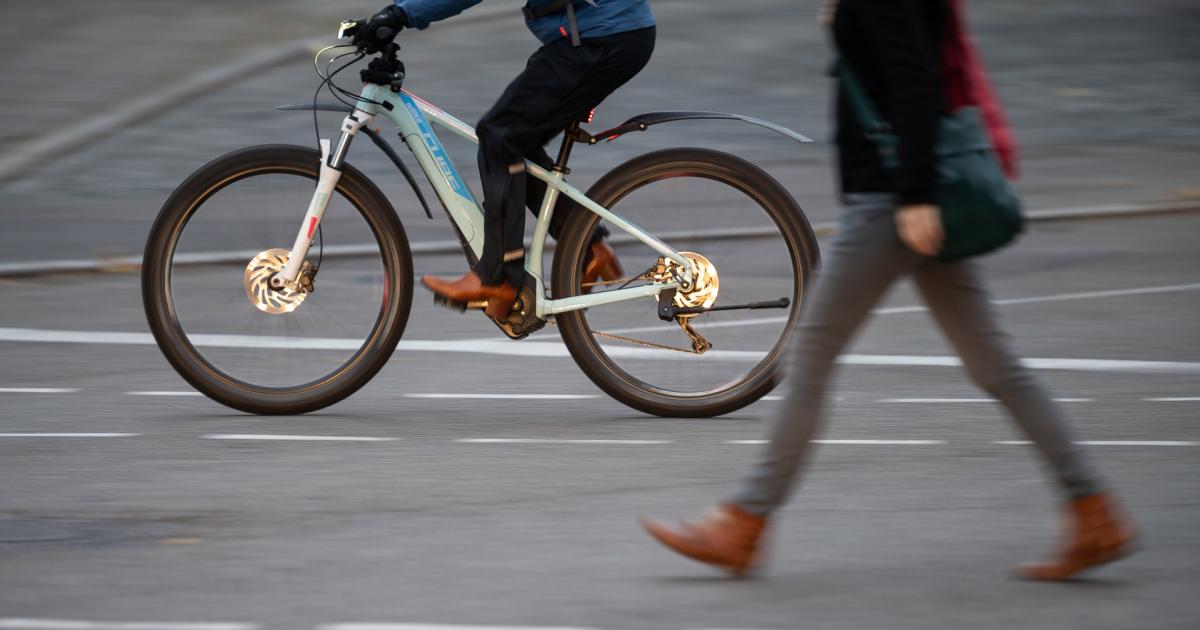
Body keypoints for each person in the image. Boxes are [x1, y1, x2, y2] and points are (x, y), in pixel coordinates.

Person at [640, 0, 1137, 581]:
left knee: (813, 356)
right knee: (996, 366)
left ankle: (744, 524)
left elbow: (915, 80)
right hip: (900, 195)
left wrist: (919, 195)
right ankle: (1093, 511)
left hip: (891, 203)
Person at [356, 1, 655, 319]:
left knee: (500, 136)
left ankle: (497, 279)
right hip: (605, 32)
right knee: (515, 140)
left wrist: (402, 13)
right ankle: (586, 248)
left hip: (601, 36)